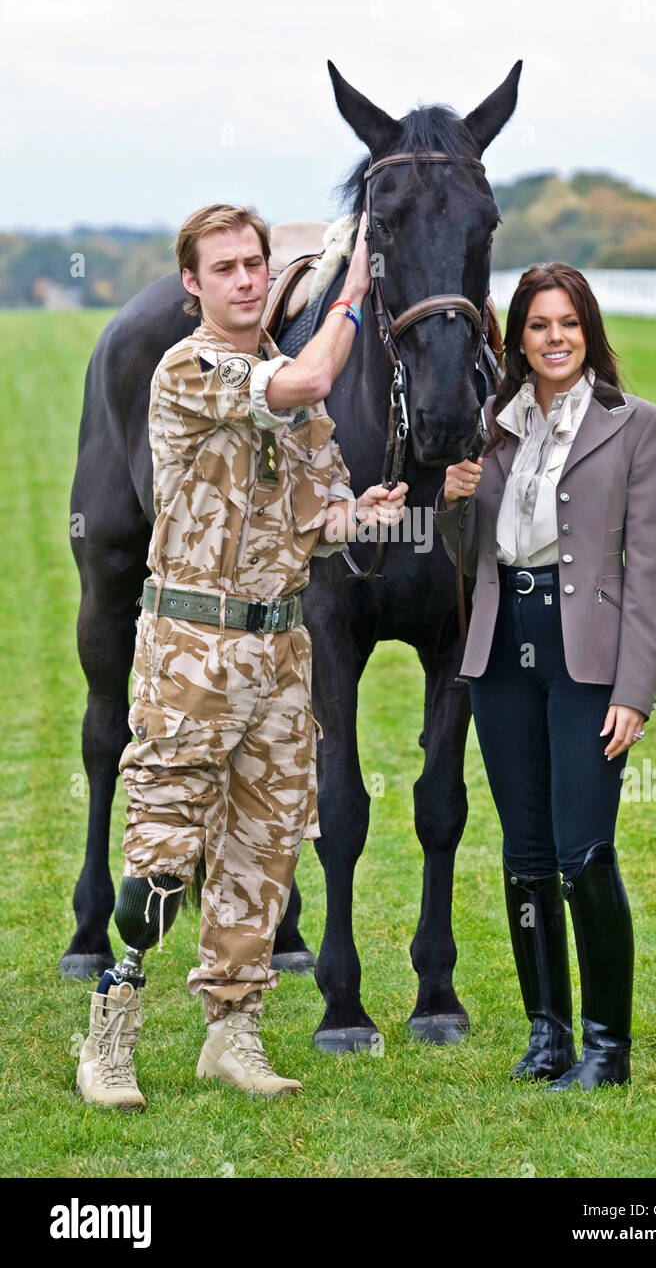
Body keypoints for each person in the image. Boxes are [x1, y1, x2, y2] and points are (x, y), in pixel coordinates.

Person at [76, 204, 407, 1110]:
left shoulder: (287, 391)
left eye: (254, 263)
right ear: (192, 284)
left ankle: (233, 1033)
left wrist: (363, 513)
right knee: (161, 852)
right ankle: (110, 1035)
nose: (245, 279)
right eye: (222, 267)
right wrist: (352, 292)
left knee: (263, 854)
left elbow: (322, 513)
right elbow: (303, 385)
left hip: (279, 652)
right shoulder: (191, 370)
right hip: (192, 647)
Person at [433, 263, 656, 1090]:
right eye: (537, 325)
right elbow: (468, 559)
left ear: (588, 329)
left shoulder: (637, 426)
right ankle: (547, 1037)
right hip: (503, 651)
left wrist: (633, 692)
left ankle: (606, 1050)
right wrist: (456, 501)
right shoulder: (492, 429)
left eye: (567, 322)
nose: (555, 338)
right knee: (525, 852)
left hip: (588, 659)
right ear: (519, 339)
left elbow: (646, 571)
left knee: (584, 852)